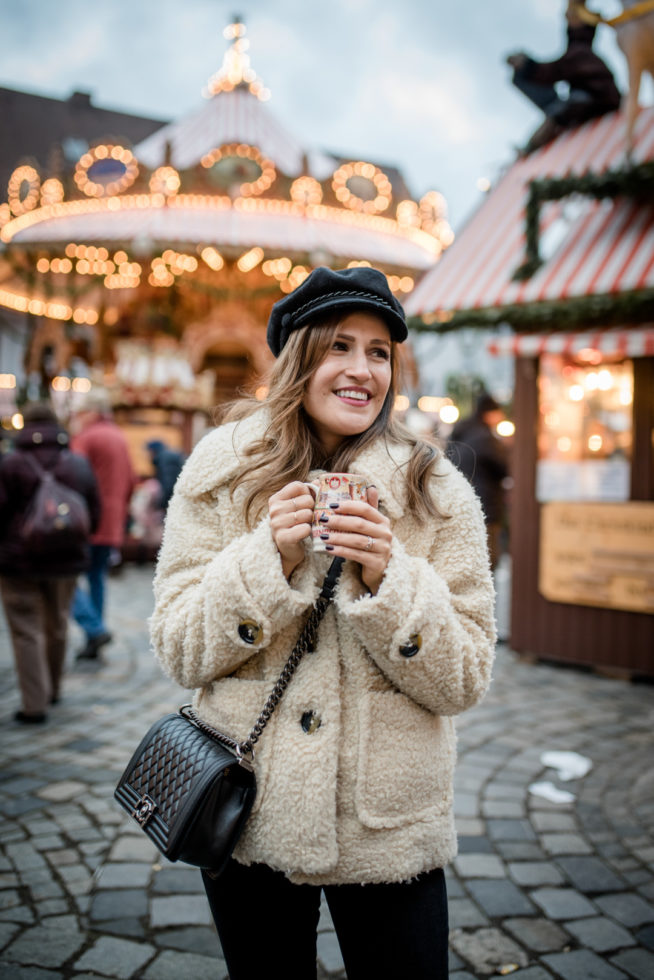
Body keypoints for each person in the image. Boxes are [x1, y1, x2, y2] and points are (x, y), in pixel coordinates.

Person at [150, 266, 496, 980]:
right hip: (250, 814)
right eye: (340, 345)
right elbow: (179, 649)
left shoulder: (437, 492)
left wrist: (390, 579)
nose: (362, 369)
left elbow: (466, 677)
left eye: (378, 351)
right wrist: (263, 563)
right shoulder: (220, 473)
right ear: (299, 358)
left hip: (389, 827)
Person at [0, 403, 99, 723]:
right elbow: (93, 516)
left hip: (18, 565)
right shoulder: (78, 464)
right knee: (57, 625)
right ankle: (53, 689)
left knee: (26, 631)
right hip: (66, 562)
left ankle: (34, 704)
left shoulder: (10, 464)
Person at [70, 389, 136, 660]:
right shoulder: (119, 437)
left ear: (92, 412)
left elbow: (72, 475)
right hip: (111, 522)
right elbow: (131, 479)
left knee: (65, 578)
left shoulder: (86, 438)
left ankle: (94, 629)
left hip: (87, 519)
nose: (78, 417)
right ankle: (92, 639)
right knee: (96, 578)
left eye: (81, 412)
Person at [507, 0, 621, 154]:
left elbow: (549, 72)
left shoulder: (578, 53)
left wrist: (527, 65)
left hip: (596, 102)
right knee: (561, 105)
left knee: (560, 108)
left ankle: (530, 146)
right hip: (598, 102)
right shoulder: (580, 53)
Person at [446, 392, 510, 572]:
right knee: (487, 564)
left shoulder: (459, 432)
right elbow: (505, 467)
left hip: (458, 506)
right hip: (485, 510)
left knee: (463, 563)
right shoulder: (486, 439)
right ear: (490, 413)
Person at [144, 439, 185, 511]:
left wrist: (161, 506)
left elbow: (168, 485)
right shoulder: (165, 457)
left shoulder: (164, 459)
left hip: (175, 501)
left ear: (152, 451)